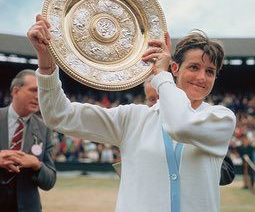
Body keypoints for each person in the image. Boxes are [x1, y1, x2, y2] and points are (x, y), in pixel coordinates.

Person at [28, 14, 236, 212]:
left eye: (210, 71)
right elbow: (59, 114)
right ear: (175, 68)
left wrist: (161, 76)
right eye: (194, 67)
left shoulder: (221, 118)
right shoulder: (133, 118)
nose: (202, 77)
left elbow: (180, 125)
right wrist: (46, 64)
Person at [114, 76, 236, 186]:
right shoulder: (141, 124)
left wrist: (184, 166)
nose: (158, 102)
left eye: (162, 97)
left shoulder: (198, 120)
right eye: (152, 99)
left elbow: (227, 172)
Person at [0, 69, 56, 212]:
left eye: (41, 92)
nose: (38, 97)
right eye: (33, 90)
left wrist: (36, 164)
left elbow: (50, 181)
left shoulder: (45, 129)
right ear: (15, 91)